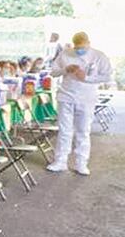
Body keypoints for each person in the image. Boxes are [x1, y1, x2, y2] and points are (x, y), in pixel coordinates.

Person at [46, 32, 112, 175]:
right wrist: (65, 69)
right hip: (66, 96)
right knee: (64, 130)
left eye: (83, 47)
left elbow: (106, 76)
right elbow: (53, 72)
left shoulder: (99, 56)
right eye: (77, 47)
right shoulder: (65, 54)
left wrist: (86, 78)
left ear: (89, 43)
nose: (80, 50)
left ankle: (81, 163)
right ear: (73, 44)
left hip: (86, 98)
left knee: (83, 131)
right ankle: (60, 161)